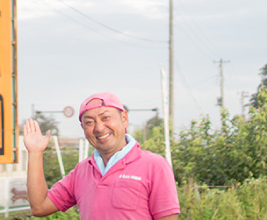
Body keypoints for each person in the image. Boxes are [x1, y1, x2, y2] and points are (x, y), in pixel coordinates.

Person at [23, 92, 180, 219]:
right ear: (83, 128)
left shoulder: (154, 165)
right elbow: (39, 206)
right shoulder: (82, 171)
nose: (98, 128)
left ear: (124, 119)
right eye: (89, 122)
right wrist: (35, 153)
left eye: (105, 118)